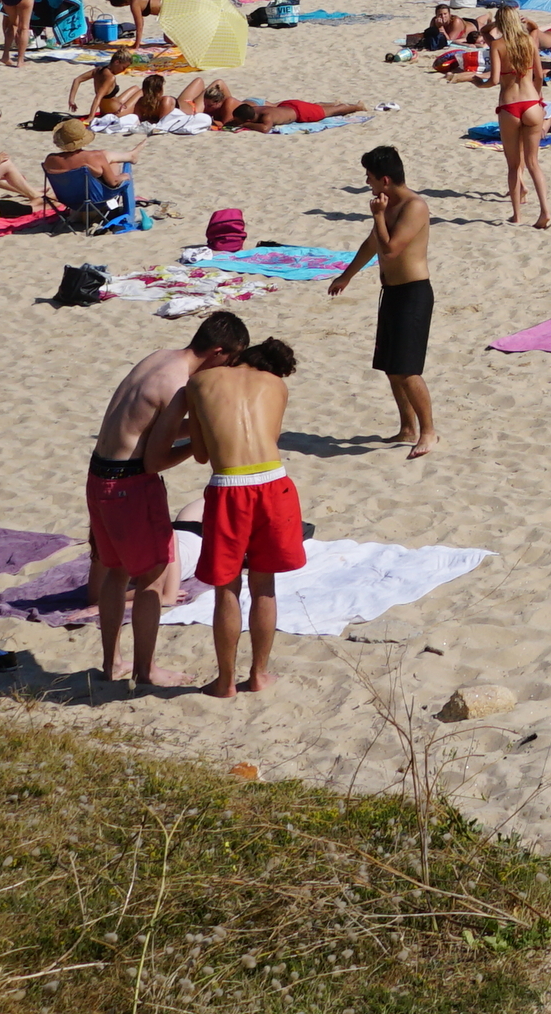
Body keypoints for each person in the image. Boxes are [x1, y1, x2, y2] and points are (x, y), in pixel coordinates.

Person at [87, 312, 248, 693]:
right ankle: (145, 670)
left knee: (115, 570)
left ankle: (111, 662)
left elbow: (148, 427)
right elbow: (155, 460)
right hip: (131, 486)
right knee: (152, 579)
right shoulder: (179, 386)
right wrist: (199, 441)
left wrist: (200, 425)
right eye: (231, 360)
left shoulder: (159, 358)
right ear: (218, 352)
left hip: (99, 477)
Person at [181, 334, 306, 698]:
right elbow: (271, 436)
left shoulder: (201, 381)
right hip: (274, 482)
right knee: (264, 586)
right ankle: (259, 675)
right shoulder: (277, 387)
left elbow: (203, 455)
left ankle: (224, 682)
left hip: (228, 486)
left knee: (227, 590)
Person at [329, 145, 437, 457]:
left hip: (413, 294)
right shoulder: (388, 204)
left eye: (370, 177)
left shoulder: (414, 207)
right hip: (391, 293)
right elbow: (372, 243)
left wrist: (377, 215)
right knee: (391, 367)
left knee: (407, 369)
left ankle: (429, 432)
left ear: (385, 179)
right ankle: (407, 428)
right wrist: (346, 276)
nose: (367, 182)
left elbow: (390, 250)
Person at [488, 3, 551, 229]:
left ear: (501, 23)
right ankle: (545, 211)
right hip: (532, 103)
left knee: (514, 165)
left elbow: (494, 80)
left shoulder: (497, 44)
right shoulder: (529, 41)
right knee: (533, 163)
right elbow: (539, 75)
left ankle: (517, 215)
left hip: (510, 105)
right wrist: (538, 98)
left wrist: (475, 81)